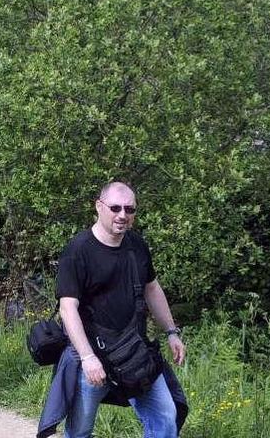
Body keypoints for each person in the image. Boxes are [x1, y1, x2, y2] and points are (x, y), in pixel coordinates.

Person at [38, 181, 188, 437]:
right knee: (79, 432)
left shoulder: (136, 245)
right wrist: (87, 358)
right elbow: (67, 309)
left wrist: (171, 331)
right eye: (115, 208)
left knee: (166, 415)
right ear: (99, 207)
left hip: (135, 353)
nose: (122, 215)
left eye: (129, 209)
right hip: (93, 357)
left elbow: (152, 288)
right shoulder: (78, 251)